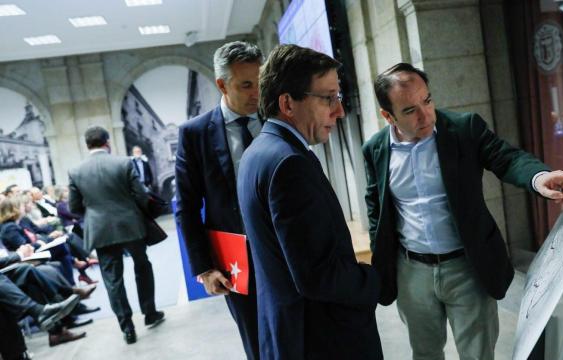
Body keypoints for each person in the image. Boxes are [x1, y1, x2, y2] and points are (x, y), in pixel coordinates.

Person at [362, 63, 563, 360]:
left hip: (466, 268)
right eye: (410, 110)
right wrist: (383, 264)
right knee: (424, 354)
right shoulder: (375, 149)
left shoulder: (464, 128)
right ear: (387, 116)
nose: (425, 114)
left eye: (427, 101)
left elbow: (506, 158)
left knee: (478, 355)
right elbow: (376, 209)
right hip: (412, 272)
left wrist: (538, 177)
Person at [237, 44, 382, 359]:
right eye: (328, 98)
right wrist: (372, 278)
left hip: (289, 333)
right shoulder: (290, 164)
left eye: (338, 98)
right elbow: (318, 276)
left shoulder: (258, 152)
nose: (339, 111)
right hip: (322, 341)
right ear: (288, 103)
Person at [175, 40, 262, 359]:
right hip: (238, 261)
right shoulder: (195, 134)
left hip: (289, 252)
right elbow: (186, 206)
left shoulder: (278, 118)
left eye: (261, 82)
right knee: (258, 341)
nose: (257, 93)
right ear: (223, 85)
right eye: (246, 85)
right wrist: (205, 268)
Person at [68, 126, 165, 344]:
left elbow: (73, 206)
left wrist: (95, 213)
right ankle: (150, 313)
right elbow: (141, 195)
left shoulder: (76, 171)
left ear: (87, 145)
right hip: (130, 225)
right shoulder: (123, 163)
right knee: (142, 266)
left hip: (100, 230)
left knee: (112, 279)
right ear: (107, 142)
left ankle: (127, 328)